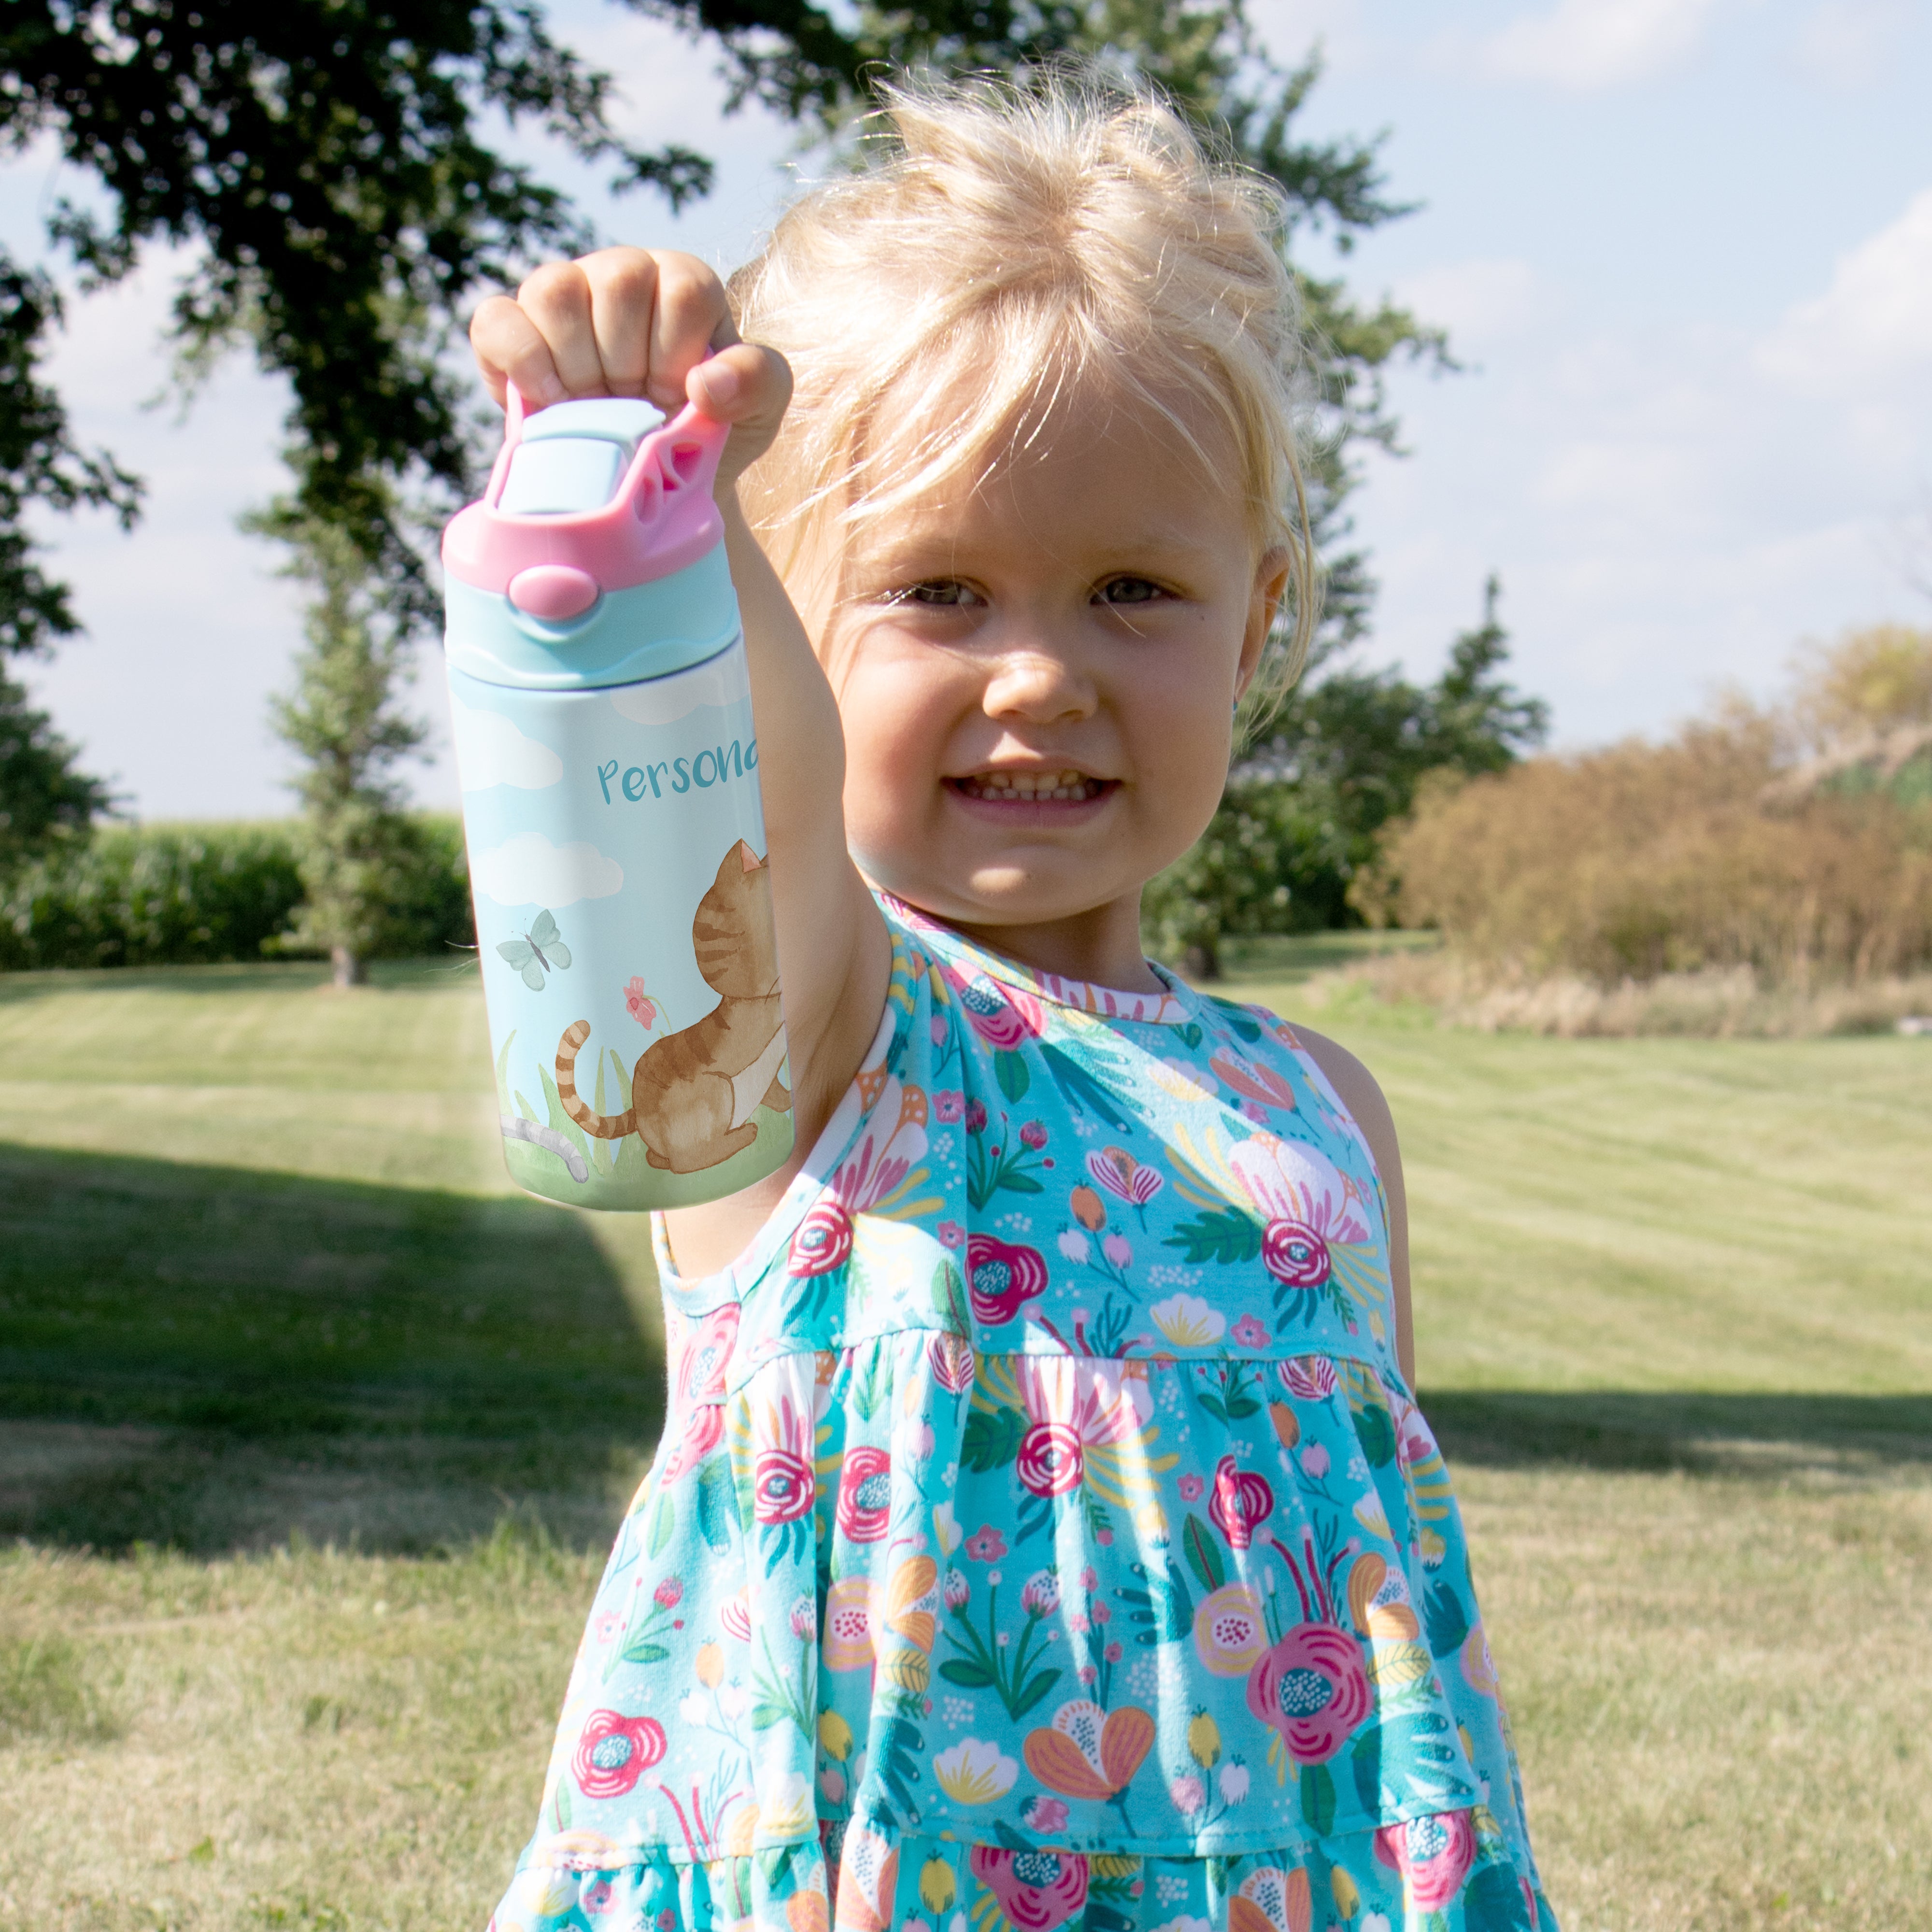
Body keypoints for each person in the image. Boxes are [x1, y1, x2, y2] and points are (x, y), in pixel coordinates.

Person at [469, 73, 1558, 1932]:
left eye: (1133, 589)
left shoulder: (1319, 1110)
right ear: (775, 624)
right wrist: (659, 499)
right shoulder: (829, 1030)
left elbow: (1373, 1589)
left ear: (1255, 621)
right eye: (938, 592)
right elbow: (766, 789)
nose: (1040, 673)